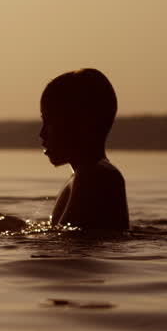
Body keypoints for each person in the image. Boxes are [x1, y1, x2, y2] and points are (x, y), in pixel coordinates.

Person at [39, 68, 129, 230]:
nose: (42, 134)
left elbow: (69, 242)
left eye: (49, 122)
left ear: (81, 124)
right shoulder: (83, 176)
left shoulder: (94, 176)